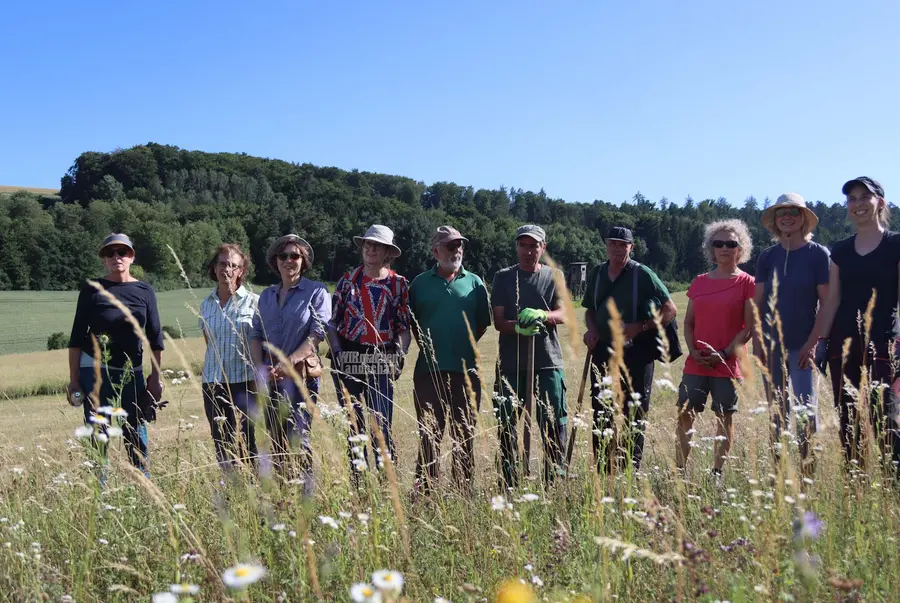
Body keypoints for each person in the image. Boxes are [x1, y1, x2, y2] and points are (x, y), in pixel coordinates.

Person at [812, 177, 900, 476]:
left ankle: (893, 486)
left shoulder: (896, 244)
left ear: (881, 202)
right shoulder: (840, 250)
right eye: (852, 199)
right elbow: (832, 300)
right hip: (843, 345)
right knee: (848, 418)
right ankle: (855, 488)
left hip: (884, 346)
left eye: (865, 196)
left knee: (885, 419)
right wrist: (822, 343)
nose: (858, 203)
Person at [67, 233, 165, 477]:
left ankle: (145, 488)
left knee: (135, 430)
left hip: (132, 373)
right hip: (94, 370)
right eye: (110, 253)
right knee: (98, 432)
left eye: (122, 252)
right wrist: (74, 380)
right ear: (104, 260)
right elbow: (77, 337)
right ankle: (98, 495)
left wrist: (155, 378)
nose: (116, 257)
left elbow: (155, 338)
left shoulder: (145, 291)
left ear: (132, 256)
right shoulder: (92, 290)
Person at [582, 226, 677, 473]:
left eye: (622, 244)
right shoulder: (598, 273)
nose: (617, 248)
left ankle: (629, 471)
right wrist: (591, 329)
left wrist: (640, 326)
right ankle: (603, 469)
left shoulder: (643, 274)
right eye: (612, 243)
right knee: (602, 408)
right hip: (603, 350)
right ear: (606, 245)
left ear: (631, 247)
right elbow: (590, 311)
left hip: (638, 351)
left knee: (634, 410)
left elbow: (670, 309)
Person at [408, 226, 492, 495]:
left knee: (464, 435)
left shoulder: (475, 282)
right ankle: (425, 494)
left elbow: (481, 325)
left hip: (466, 372)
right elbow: (413, 324)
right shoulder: (419, 284)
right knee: (430, 436)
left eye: (459, 245)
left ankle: (463, 494)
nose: (456, 250)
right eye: (449, 245)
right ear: (435, 250)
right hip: (428, 372)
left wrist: (460, 346)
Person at [753, 194, 830, 475]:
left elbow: (826, 303)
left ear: (803, 219)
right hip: (772, 347)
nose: (787, 216)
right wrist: (758, 344)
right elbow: (758, 303)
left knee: (806, 412)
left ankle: (808, 476)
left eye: (793, 212)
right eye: (781, 212)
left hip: (803, 347)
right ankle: (781, 476)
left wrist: (813, 344)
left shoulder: (818, 254)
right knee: (777, 413)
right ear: (775, 220)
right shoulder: (767, 256)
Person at [327, 225, 411, 477]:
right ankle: (359, 488)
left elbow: (404, 327)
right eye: (367, 244)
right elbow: (332, 323)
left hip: (383, 355)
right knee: (353, 426)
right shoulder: (347, 281)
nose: (371, 249)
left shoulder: (398, 284)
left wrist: (399, 356)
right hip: (348, 354)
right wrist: (338, 352)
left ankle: (388, 489)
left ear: (387, 252)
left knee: (381, 425)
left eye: (377, 245)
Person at [675, 220, 756, 482]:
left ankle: (717, 475)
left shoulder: (747, 283)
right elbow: (689, 323)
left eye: (731, 243)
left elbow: (748, 328)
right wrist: (692, 349)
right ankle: (679, 472)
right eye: (718, 243)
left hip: (727, 363)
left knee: (724, 419)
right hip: (696, 362)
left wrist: (724, 352)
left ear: (740, 249)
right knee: (685, 415)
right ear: (710, 248)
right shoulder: (699, 282)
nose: (724, 248)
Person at [250, 234, 330, 494]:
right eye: (283, 256)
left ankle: (307, 495)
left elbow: (318, 333)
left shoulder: (316, 291)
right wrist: (259, 367)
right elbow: (256, 333)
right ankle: (283, 494)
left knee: (299, 436)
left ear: (303, 261)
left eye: (294, 256)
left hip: (300, 375)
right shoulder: (266, 295)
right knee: (276, 439)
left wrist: (288, 362)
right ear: (276, 261)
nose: (288, 260)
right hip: (270, 376)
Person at [490, 224, 568, 488]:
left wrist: (543, 316)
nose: (528, 251)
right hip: (511, 364)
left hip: (547, 362)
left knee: (553, 424)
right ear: (516, 247)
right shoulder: (503, 277)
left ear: (542, 248)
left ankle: (554, 483)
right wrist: (518, 327)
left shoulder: (554, 275)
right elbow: (498, 322)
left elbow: (564, 314)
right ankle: (509, 483)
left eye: (534, 245)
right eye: (523, 245)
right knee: (506, 425)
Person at [199, 243, 260, 475]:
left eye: (234, 265)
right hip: (213, 384)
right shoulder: (206, 304)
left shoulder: (255, 302)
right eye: (223, 263)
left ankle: (253, 491)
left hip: (245, 382)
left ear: (241, 271)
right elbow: (209, 343)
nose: (227, 269)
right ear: (214, 268)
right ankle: (231, 490)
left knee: (248, 441)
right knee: (222, 443)